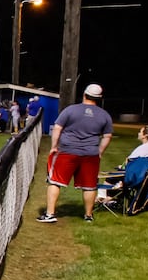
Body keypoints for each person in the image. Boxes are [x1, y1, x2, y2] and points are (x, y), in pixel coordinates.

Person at [37, 83, 114, 224]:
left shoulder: (71, 110)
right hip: (90, 154)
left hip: (67, 151)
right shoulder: (104, 115)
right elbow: (107, 136)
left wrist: (54, 146)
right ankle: (88, 215)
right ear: (99, 98)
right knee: (90, 185)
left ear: (84, 94)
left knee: (55, 181)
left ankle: (50, 214)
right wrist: (99, 152)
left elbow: (57, 128)